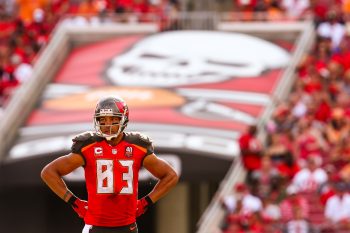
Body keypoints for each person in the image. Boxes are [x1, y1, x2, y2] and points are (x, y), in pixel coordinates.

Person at [41, 96, 179, 233]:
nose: (107, 124)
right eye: (103, 119)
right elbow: (49, 172)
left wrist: (146, 202)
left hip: (127, 226)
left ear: (123, 119)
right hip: (95, 226)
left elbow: (170, 176)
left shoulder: (138, 146)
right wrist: (74, 201)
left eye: (113, 119)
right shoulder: (88, 146)